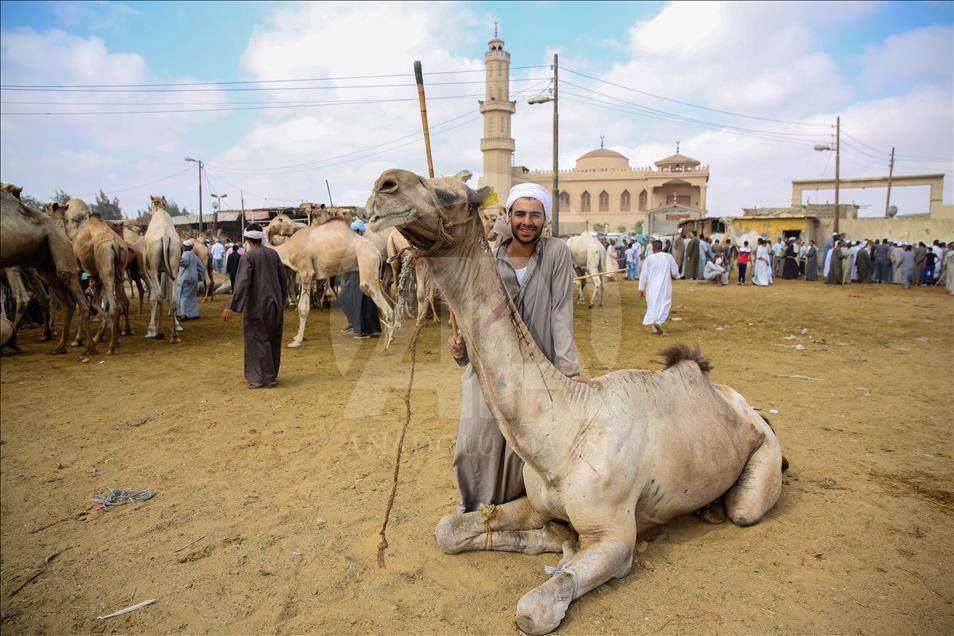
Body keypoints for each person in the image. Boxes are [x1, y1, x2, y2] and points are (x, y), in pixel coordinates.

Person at [447, 183, 588, 513]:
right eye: (520, 213)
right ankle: (474, 508)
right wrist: (462, 349)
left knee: (524, 444)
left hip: (537, 364)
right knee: (474, 441)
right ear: (508, 215)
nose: (527, 221)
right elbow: (474, 309)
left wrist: (569, 370)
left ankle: (515, 508)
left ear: (545, 219)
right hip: (488, 364)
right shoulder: (487, 255)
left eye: (535, 215)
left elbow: (560, 312)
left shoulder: (556, 253)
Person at [222, 224, 288, 388]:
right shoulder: (274, 254)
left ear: (247, 239)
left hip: (257, 306)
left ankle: (260, 378)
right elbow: (283, 279)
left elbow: (242, 283)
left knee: (257, 339)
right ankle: (271, 375)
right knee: (273, 338)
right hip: (275, 304)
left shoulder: (248, 257)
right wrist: (282, 300)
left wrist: (231, 306)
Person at [338, 219, 381, 339]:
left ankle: (364, 331)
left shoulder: (363, 243)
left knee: (362, 303)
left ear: (358, 231)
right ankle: (356, 323)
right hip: (355, 274)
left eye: (353, 230)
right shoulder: (356, 242)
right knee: (343, 297)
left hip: (362, 274)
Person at [639, 239, 679, 333]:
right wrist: (677, 276)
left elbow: (643, 275)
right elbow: (675, 272)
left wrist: (641, 289)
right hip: (664, 286)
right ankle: (659, 322)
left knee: (652, 305)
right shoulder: (668, 257)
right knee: (665, 304)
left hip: (651, 287)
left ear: (653, 249)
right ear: (662, 247)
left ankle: (654, 327)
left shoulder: (649, 259)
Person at [176, 239, 205, 320]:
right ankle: (193, 313)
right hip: (194, 278)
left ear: (184, 247)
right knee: (192, 296)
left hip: (185, 278)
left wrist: (176, 258)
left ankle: (183, 314)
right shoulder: (195, 256)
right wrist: (200, 278)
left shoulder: (185, 254)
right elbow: (202, 268)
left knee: (183, 296)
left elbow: (184, 262)